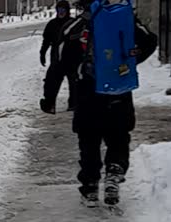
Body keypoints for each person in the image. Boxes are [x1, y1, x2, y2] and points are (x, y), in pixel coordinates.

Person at [57, 0, 157, 206]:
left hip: (88, 92)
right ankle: (114, 171)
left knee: (89, 140)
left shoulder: (78, 25)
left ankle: (91, 186)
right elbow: (150, 41)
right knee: (119, 136)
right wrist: (129, 61)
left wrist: (78, 71)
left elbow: (62, 55)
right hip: (119, 88)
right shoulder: (126, 19)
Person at [39, 0, 75, 114]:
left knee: (74, 83)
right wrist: (42, 53)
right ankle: (50, 105)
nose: (61, 12)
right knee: (51, 83)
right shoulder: (52, 24)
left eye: (63, 10)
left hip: (72, 58)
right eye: (59, 10)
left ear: (67, 11)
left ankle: (74, 104)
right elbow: (46, 41)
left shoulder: (73, 23)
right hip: (56, 58)